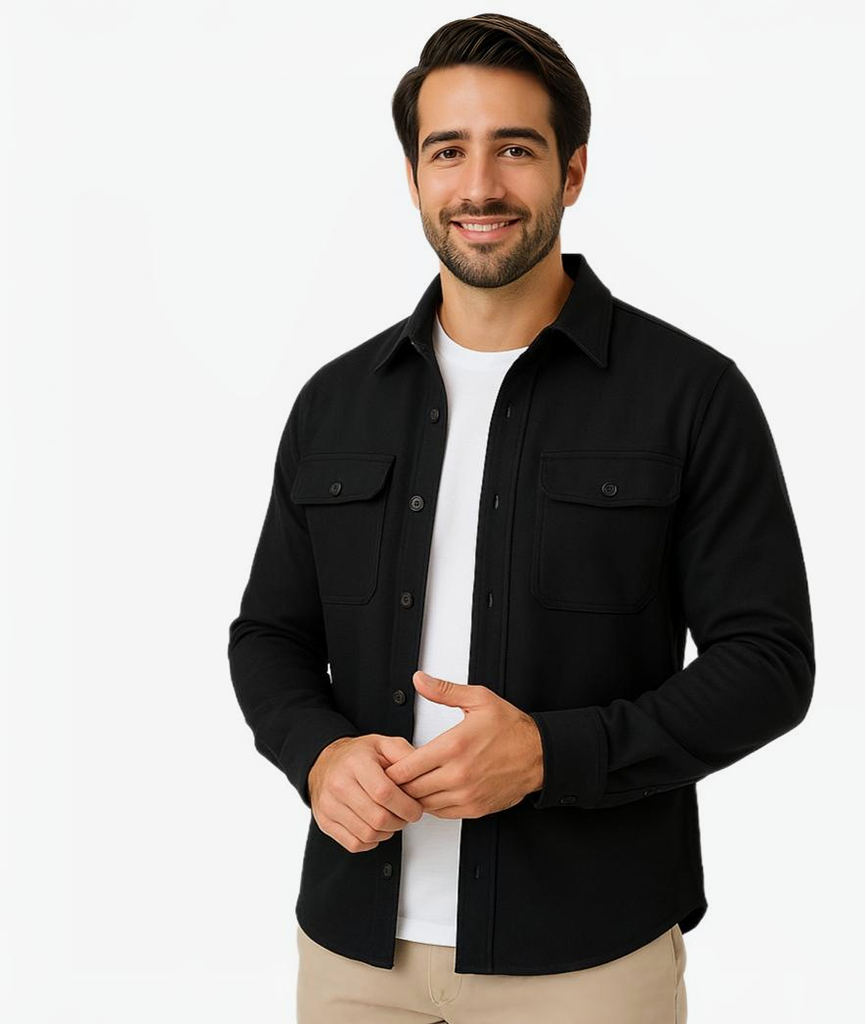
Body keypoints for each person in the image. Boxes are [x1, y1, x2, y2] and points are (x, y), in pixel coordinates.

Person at [227, 13, 815, 1024]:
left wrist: (552, 753)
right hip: (353, 957)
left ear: (572, 171)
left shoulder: (691, 396)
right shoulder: (335, 402)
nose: (480, 185)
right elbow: (269, 637)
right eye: (447, 151)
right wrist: (317, 753)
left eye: (515, 148)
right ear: (414, 176)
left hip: (587, 961)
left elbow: (768, 663)